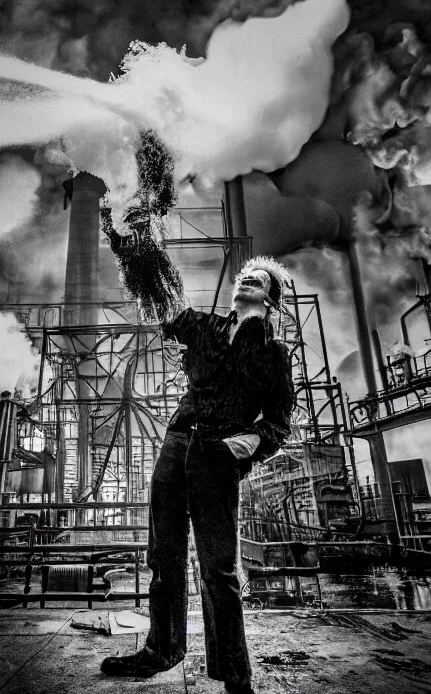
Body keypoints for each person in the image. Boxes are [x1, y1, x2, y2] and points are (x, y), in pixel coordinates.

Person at [100, 220, 294, 694]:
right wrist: (134, 246)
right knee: (163, 556)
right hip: (177, 445)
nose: (246, 281)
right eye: (244, 278)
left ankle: (234, 674)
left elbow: (278, 424)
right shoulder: (205, 328)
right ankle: (160, 650)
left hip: (217, 457)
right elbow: (163, 303)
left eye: (258, 280)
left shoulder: (273, 353)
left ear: (269, 300)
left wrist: (248, 445)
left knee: (218, 568)